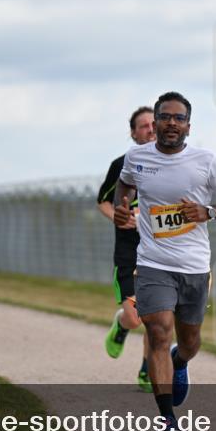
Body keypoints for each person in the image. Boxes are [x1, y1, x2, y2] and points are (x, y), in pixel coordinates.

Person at [113, 92, 216, 431]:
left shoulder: (206, 161)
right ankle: (169, 422)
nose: (172, 123)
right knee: (158, 332)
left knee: (189, 342)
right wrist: (122, 207)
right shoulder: (137, 158)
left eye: (179, 118)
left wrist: (209, 212)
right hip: (154, 263)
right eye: (165, 117)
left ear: (188, 125)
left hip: (194, 268)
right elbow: (124, 184)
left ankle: (180, 361)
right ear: (154, 124)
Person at [97, 106, 155, 392]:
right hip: (129, 252)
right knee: (136, 316)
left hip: (160, 253)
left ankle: (147, 370)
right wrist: (120, 219)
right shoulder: (122, 164)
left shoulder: (174, 164)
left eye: (153, 123)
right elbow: (102, 201)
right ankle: (121, 324)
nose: (150, 128)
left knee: (157, 316)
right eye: (143, 125)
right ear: (133, 133)